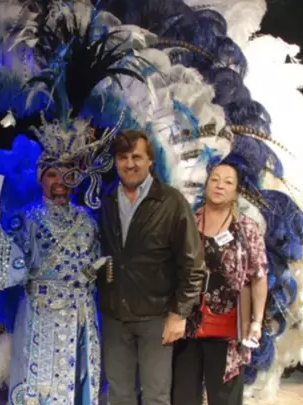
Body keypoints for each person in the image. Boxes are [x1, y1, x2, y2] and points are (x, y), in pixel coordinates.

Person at [0, 122, 107, 405]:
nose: (59, 181)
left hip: (81, 320)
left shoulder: (89, 221)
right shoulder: (24, 219)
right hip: (41, 317)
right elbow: (4, 273)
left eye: (66, 173)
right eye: (52, 173)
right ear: (40, 178)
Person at [97, 129, 205, 405]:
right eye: (123, 157)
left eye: (136, 157)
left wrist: (180, 313)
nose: (129, 164)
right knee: (119, 395)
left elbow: (193, 263)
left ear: (150, 161)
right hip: (113, 316)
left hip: (156, 317)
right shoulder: (104, 200)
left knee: (156, 396)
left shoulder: (171, 202)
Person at [172, 162, 268, 405]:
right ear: (206, 185)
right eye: (214, 179)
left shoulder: (246, 228)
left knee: (225, 399)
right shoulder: (188, 221)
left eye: (228, 182)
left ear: (236, 191)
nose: (219, 186)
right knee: (183, 396)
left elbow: (258, 277)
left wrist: (256, 322)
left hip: (228, 331)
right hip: (186, 326)